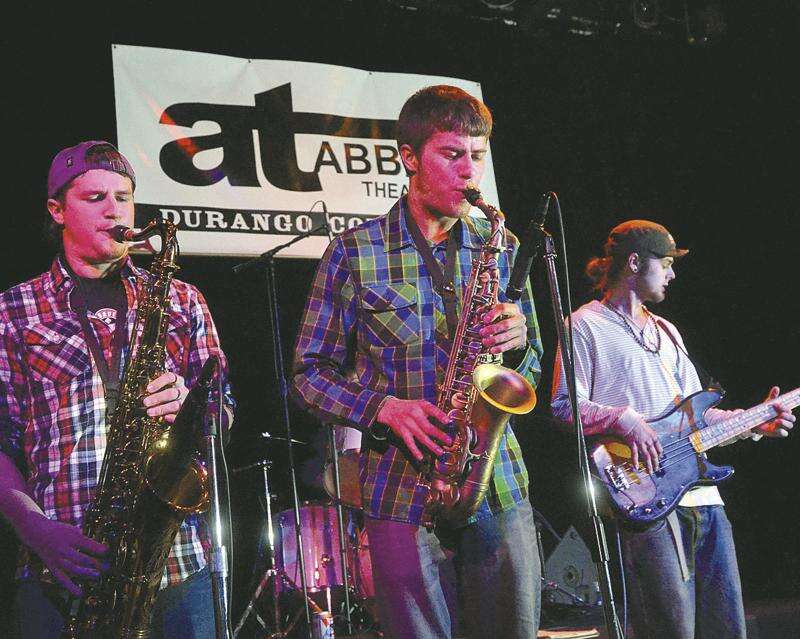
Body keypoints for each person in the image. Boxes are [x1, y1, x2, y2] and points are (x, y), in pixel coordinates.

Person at [292, 85, 543, 638]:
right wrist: (384, 409)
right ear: (409, 157)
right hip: (399, 493)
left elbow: (531, 368)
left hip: (497, 484)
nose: (469, 171)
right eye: (451, 155)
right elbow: (309, 376)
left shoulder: (498, 243)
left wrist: (520, 341)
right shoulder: (354, 252)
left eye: (477, 156)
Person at [0, 140, 235, 638]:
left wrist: (192, 410)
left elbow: (223, 410)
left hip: (176, 563)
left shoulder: (182, 299)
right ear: (57, 210)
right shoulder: (12, 312)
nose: (115, 210)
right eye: (95, 198)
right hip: (60, 565)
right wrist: (34, 528)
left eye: (123, 197)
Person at [551, 219, 795, 639]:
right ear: (634, 263)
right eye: (665, 264)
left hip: (705, 498)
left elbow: (699, 419)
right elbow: (562, 406)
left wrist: (755, 422)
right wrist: (623, 419)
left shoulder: (667, 331)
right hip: (646, 496)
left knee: (726, 627)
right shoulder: (584, 326)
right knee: (670, 629)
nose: (672, 274)